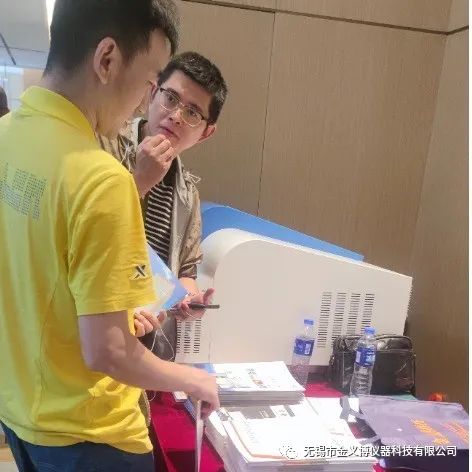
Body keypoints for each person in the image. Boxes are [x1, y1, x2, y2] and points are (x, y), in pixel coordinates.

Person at [0, 1, 219, 471]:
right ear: (107, 59)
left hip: (22, 407)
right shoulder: (103, 173)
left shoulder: (6, 135)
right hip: (89, 428)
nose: (146, 103)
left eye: (193, 113)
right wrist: (192, 380)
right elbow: (109, 350)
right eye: (152, 85)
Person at [99, 51, 228, 361]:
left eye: (193, 113)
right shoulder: (104, 146)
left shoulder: (187, 193)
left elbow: (185, 270)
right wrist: (140, 180)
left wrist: (188, 299)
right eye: (171, 98)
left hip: (147, 345)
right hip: (95, 333)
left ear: (206, 132)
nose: (177, 116)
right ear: (153, 92)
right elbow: (83, 233)